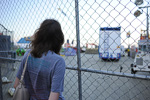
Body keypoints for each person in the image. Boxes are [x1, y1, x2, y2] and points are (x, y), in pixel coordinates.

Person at [14, 19, 66, 100]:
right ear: (59, 39)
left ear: (39, 35)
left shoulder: (27, 54)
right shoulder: (58, 61)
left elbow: (16, 85)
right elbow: (54, 97)